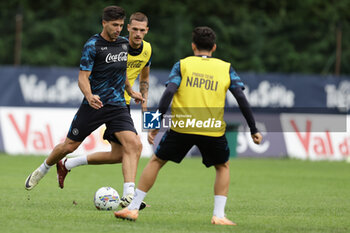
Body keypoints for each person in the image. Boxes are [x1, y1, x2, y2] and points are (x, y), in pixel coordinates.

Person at [114, 26, 263, 225]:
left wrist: (155, 125)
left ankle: (132, 209)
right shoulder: (225, 67)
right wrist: (253, 129)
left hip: (182, 126)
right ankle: (218, 215)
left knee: (157, 161)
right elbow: (241, 98)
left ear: (193, 46)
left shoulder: (182, 65)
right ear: (214, 47)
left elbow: (168, 93)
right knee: (222, 166)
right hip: (211, 128)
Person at [24, 6, 145, 208]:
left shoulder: (124, 44)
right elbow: (82, 78)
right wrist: (89, 96)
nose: (118, 29)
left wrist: (130, 91)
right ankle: (43, 169)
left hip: (117, 105)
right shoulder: (92, 45)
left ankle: (129, 195)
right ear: (104, 23)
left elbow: (121, 72)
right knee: (69, 146)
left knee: (133, 144)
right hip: (94, 104)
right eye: (115, 25)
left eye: (121, 25)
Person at [125, 12, 152, 113]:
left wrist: (144, 105)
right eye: (135, 29)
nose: (138, 34)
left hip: (123, 103)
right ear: (128, 28)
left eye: (142, 30)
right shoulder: (118, 46)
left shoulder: (147, 49)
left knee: (128, 130)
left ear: (147, 30)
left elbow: (144, 77)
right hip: (103, 99)